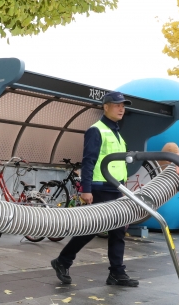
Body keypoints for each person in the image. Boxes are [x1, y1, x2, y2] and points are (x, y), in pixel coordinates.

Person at [51, 91, 139, 287]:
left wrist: (124, 187)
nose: (122, 108)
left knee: (117, 231)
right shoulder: (96, 130)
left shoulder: (116, 132)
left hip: (117, 188)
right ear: (105, 106)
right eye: (117, 105)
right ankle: (62, 261)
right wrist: (86, 189)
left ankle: (117, 272)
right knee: (91, 229)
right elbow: (88, 161)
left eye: (123, 105)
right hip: (100, 188)